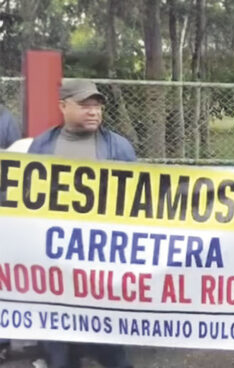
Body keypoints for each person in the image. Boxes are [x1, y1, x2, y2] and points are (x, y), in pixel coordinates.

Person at [29, 79, 135, 368]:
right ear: (63, 106)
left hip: (102, 263)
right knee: (60, 352)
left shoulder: (119, 148)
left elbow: (138, 204)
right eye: (85, 105)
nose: (94, 112)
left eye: (98, 106)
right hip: (55, 264)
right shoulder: (41, 147)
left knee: (112, 348)